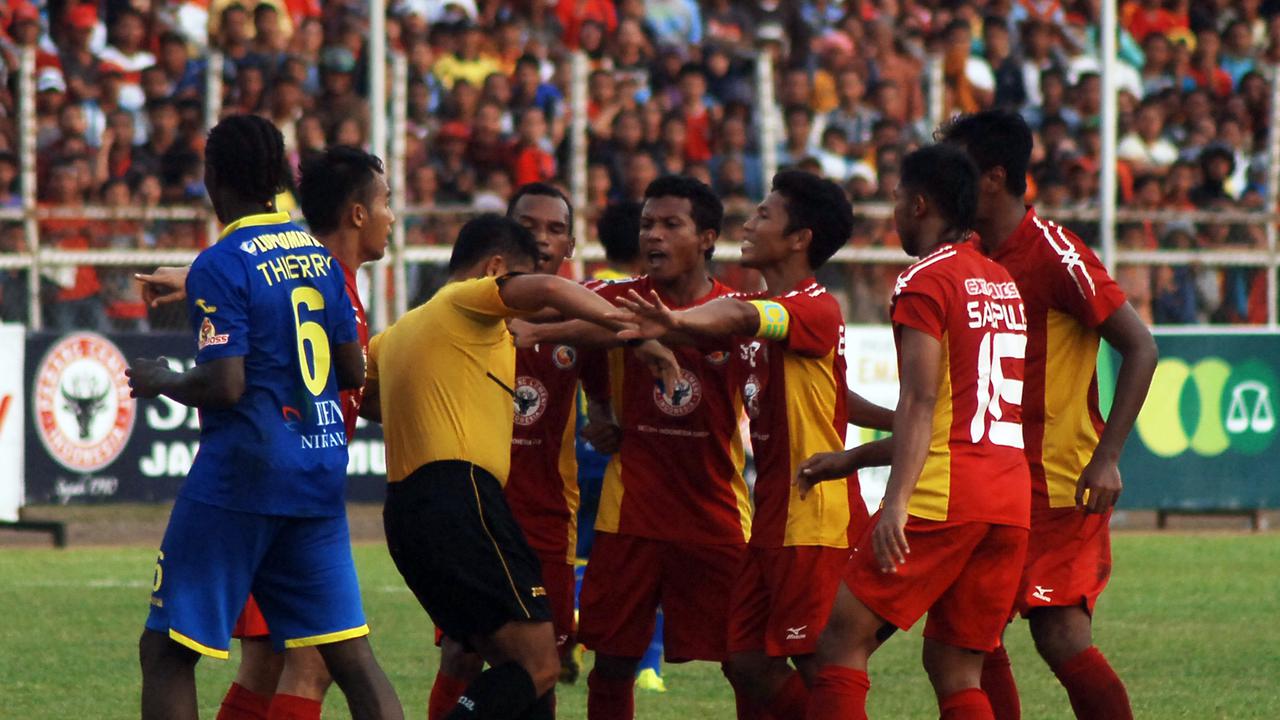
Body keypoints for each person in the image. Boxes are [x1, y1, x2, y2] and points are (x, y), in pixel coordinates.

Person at [126, 115, 402, 720]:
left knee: (168, 651)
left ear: (213, 178)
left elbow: (226, 384)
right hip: (318, 475)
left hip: (242, 476)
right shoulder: (318, 257)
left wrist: (162, 379)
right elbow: (353, 372)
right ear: (279, 174)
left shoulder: (222, 261)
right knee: (351, 658)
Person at [368, 214, 678, 720]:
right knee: (539, 666)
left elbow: (366, 401)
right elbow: (554, 287)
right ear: (495, 269)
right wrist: (636, 329)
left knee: (506, 664)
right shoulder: (463, 299)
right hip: (460, 495)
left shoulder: (398, 334)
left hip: (405, 511)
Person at [613, 170, 891, 718]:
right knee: (744, 661)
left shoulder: (812, 306)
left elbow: (740, 317)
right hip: (770, 519)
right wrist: (901, 419)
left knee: (818, 662)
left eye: (764, 215)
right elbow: (833, 392)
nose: (749, 222)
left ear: (798, 239)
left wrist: (670, 321)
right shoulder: (764, 307)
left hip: (813, 522)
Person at [799, 143, 1032, 720]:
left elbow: (922, 401)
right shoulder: (1000, 281)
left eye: (898, 198)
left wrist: (895, 504)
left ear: (920, 203)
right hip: (1008, 496)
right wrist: (851, 461)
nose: (894, 209)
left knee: (840, 642)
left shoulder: (925, 279)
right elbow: (965, 414)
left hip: (944, 495)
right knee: (956, 667)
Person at [938, 110, 1157, 720]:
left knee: (1058, 636)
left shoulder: (1057, 252)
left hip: (1060, 484)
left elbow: (1140, 346)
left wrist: (1107, 458)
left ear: (992, 178)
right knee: (967, 639)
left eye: (955, 170)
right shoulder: (968, 256)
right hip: (992, 480)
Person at [515, 176, 753, 719]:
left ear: (708, 238)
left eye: (672, 225)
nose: (655, 236)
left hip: (714, 516)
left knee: (746, 663)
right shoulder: (612, 299)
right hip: (632, 518)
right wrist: (601, 409)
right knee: (614, 664)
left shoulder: (739, 313)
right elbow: (560, 326)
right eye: (648, 225)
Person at [426, 184, 585, 719]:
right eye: (529, 225)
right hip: (477, 509)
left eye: (556, 229)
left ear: (571, 244)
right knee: (461, 655)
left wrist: (608, 418)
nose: (542, 238)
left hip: (546, 518)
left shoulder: (584, 319)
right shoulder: (469, 308)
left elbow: (611, 389)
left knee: (545, 663)